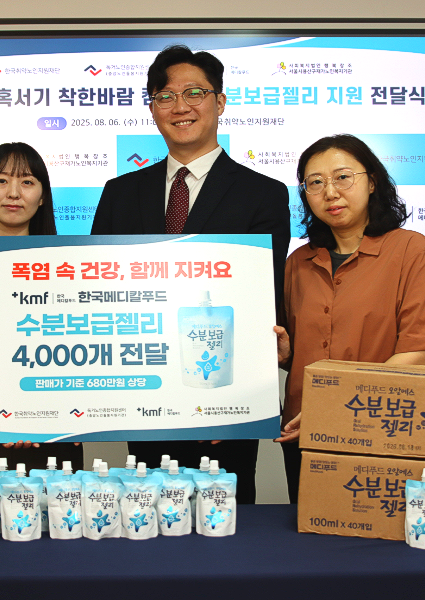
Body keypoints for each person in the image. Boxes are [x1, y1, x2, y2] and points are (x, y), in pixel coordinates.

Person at [91, 45, 290, 504]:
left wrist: (235, 402)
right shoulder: (120, 193)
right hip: (143, 393)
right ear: (153, 110)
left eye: (194, 93)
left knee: (225, 527)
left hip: (221, 399)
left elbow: (259, 297)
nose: (179, 106)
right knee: (148, 518)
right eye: (165, 96)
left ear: (220, 101)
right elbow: (101, 290)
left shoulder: (262, 194)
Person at [274, 134, 425, 503]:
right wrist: (285, 355)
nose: (330, 192)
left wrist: (332, 409)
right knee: (309, 531)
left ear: (372, 182)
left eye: (343, 177)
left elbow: (422, 351)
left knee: (377, 534)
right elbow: (306, 349)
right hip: (304, 430)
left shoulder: (411, 250)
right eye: (315, 183)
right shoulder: (298, 262)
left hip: (382, 430)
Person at [0, 142, 84, 473]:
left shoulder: (73, 270)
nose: (13, 193)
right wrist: (6, 405)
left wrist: (54, 411)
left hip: (58, 423)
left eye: (27, 181)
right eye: (1, 180)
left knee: (60, 508)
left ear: (42, 196)